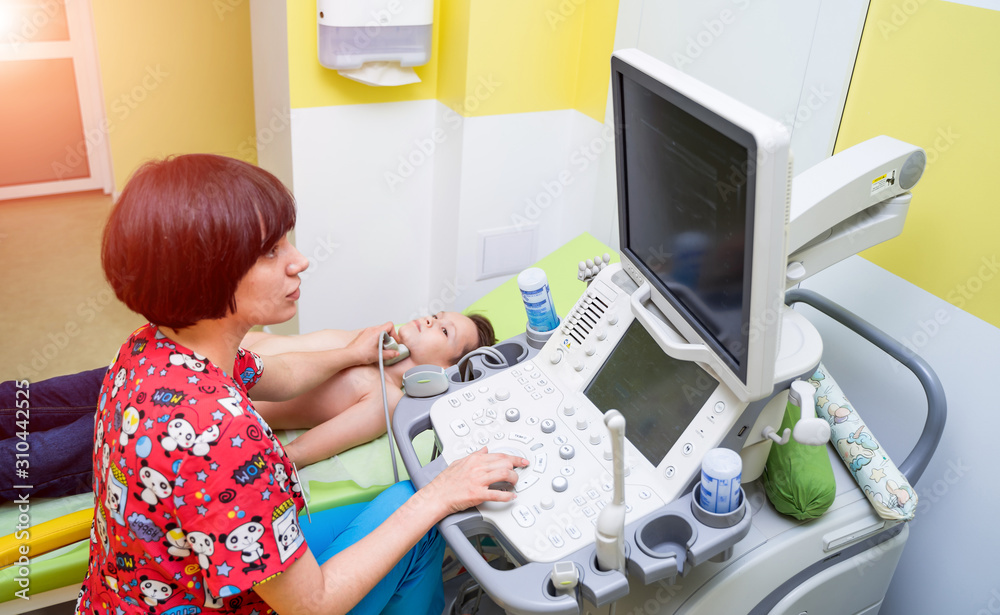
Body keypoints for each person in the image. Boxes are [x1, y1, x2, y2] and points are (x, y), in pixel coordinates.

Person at [77, 153, 526, 615]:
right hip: (245, 602)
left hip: (152, 585)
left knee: (407, 500)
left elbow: (280, 375)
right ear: (207, 273)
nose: (300, 261)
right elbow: (312, 605)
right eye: (271, 251)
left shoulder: (149, 347)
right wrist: (442, 495)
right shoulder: (222, 436)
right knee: (425, 510)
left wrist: (350, 354)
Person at [0, 312, 496, 502]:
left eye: (444, 330)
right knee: (29, 399)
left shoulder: (384, 397)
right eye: (439, 312)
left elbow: (299, 454)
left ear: (449, 370)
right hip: (165, 364)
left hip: (176, 416)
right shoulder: (370, 340)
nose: (431, 317)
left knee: (36, 456)